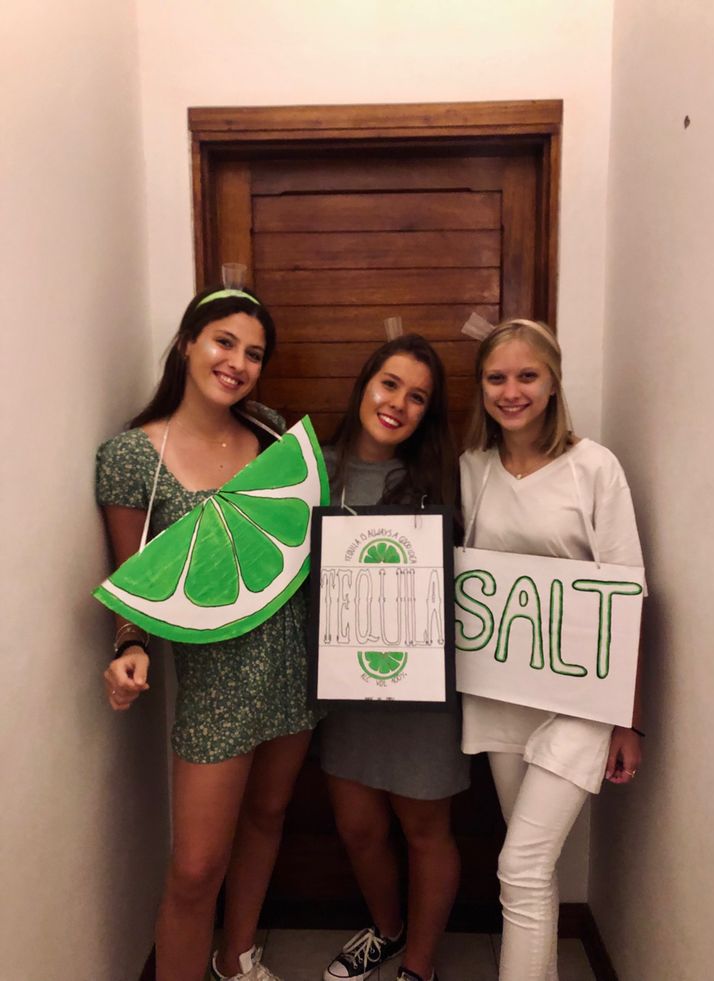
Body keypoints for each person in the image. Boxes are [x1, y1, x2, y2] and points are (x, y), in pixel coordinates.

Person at [97, 286, 322, 981]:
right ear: (188, 341)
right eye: (224, 341)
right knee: (195, 869)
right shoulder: (133, 457)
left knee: (268, 816)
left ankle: (236, 959)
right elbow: (134, 582)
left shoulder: (277, 438)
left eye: (255, 353)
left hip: (292, 664)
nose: (238, 362)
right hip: (214, 687)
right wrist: (128, 647)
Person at [459, 318, 645, 981]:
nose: (512, 391)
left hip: (579, 699)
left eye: (526, 375)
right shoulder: (472, 470)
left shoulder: (594, 467)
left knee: (521, 866)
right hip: (502, 692)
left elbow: (627, 597)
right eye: (497, 377)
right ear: (481, 386)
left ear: (552, 382)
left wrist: (628, 717)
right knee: (529, 864)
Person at [319, 334, 470, 981]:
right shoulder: (312, 468)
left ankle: (421, 964)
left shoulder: (447, 479)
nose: (398, 404)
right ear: (364, 385)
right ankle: (387, 928)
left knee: (425, 829)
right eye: (389, 384)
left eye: (417, 396)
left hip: (424, 689)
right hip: (342, 682)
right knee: (357, 828)